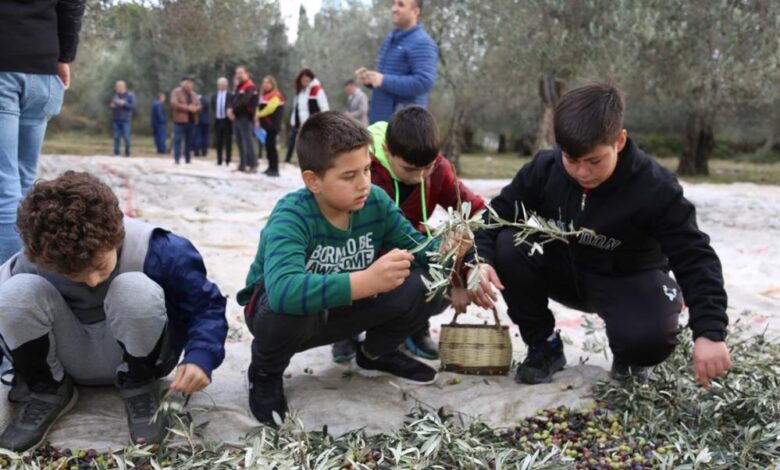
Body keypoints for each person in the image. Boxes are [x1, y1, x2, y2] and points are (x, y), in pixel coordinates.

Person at [469, 83, 732, 388]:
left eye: (594, 161)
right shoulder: (544, 168)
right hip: (562, 271)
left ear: (619, 141)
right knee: (508, 244)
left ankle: (628, 355)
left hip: (626, 279)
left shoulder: (655, 186)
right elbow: (494, 217)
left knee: (650, 340)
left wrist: (710, 332)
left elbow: (695, 255)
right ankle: (544, 346)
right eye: (571, 159)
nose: (581, 172)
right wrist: (479, 260)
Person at [237, 111, 464, 425]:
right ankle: (265, 372)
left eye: (367, 170)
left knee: (431, 282)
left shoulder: (377, 203)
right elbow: (283, 292)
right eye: (349, 176)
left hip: (344, 310)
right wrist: (366, 282)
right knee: (287, 304)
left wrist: (451, 252)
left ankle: (376, 354)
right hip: (285, 318)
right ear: (313, 181)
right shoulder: (291, 216)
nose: (364, 184)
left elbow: (419, 250)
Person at [0, 171, 228, 451]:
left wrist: (201, 356)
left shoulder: (161, 250)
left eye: (98, 266)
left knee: (134, 290)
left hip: (138, 355)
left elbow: (206, 306)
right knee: (13, 293)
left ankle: (139, 387)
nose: (93, 282)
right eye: (74, 275)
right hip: (66, 356)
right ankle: (48, 390)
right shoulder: (38, 257)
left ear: (115, 234)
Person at [331, 106, 485, 363]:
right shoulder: (363, 169)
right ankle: (347, 329)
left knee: (440, 269)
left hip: (411, 253)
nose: (420, 177)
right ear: (389, 152)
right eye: (410, 169)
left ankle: (413, 325)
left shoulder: (438, 169)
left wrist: (462, 270)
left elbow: (476, 210)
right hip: (363, 255)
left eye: (428, 167)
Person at [0, 0, 86, 265]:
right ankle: (27, 274)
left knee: (4, 185)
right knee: (24, 182)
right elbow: (72, 5)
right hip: (43, 71)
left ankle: (9, 282)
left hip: (4, 66)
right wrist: (64, 57)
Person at [356, 0, 437, 124]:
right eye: (393, 3)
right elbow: (386, 81)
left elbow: (424, 82)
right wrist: (370, 80)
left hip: (404, 128)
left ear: (416, 12)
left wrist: (383, 80)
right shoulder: (390, 39)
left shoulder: (422, 42)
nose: (394, 8)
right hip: (381, 125)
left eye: (401, 4)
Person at [286, 69, 329, 164]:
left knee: (313, 148)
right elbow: (295, 109)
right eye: (303, 80)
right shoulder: (300, 92)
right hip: (298, 125)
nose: (304, 82)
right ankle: (289, 162)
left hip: (313, 125)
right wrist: (293, 122)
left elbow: (325, 108)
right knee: (299, 146)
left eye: (307, 79)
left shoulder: (317, 90)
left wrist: (322, 124)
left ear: (311, 79)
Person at [229, 65, 259, 173]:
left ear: (247, 74)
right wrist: (230, 110)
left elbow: (244, 102)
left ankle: (253, 165)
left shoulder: (249, 86)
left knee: (248, 141)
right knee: (239, 141)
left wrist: (233, 110)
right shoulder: (238, 86)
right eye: (237, 73)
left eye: (241, 73)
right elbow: (232, 99)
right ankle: (243, 164)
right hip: (237, 117)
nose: (239, 75)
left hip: (245, 117)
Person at [255, 75, 285, 177]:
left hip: (273, 125)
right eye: (264, 82)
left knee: (272, 147)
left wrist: (258, 115)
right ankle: (270, 167)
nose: (265, 85)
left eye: (268, 83)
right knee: (268, 146)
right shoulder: (264, 95)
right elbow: (258, 107)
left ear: (272, 84)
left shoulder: (276, 95)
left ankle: (275, 169)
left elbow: (270, 109)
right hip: (267, 126)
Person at [170, 77, 201, 165]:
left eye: (191, 84)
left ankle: (188, 159)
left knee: (189, 140)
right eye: (188, 83)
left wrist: (196, 108)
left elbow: (199, 104)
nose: (190, 85)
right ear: (183, 84)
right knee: (178, 140)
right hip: (180, 120)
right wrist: (188, 108)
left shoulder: (194, 94)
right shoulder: (176, 92)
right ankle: (177, 158)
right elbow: (174, 103)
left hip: (191, 120)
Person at [109, 80, 136, 157]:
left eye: (117, 86)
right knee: (116, 137)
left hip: (126, 120)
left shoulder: (130, 95)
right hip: (116, 119)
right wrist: (112, 106)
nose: (116, 88)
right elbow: (112, 105)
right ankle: (116, 153)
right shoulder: (115, 95)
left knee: (127, 138)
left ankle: (127, 152)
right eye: (116, 87)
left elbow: (132, 106)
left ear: (123, 87)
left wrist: (124, 104)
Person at [211, 77, 233, 166]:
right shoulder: (214, 95)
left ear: (226, 85)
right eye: (220, 84)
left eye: (223, 84)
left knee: (228, 141)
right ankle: (219, 160)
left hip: (227, 120)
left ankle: (228, 160)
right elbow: (213, 107)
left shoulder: (230, 95)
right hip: (218, 120)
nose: (221, 86)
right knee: (218, 141)